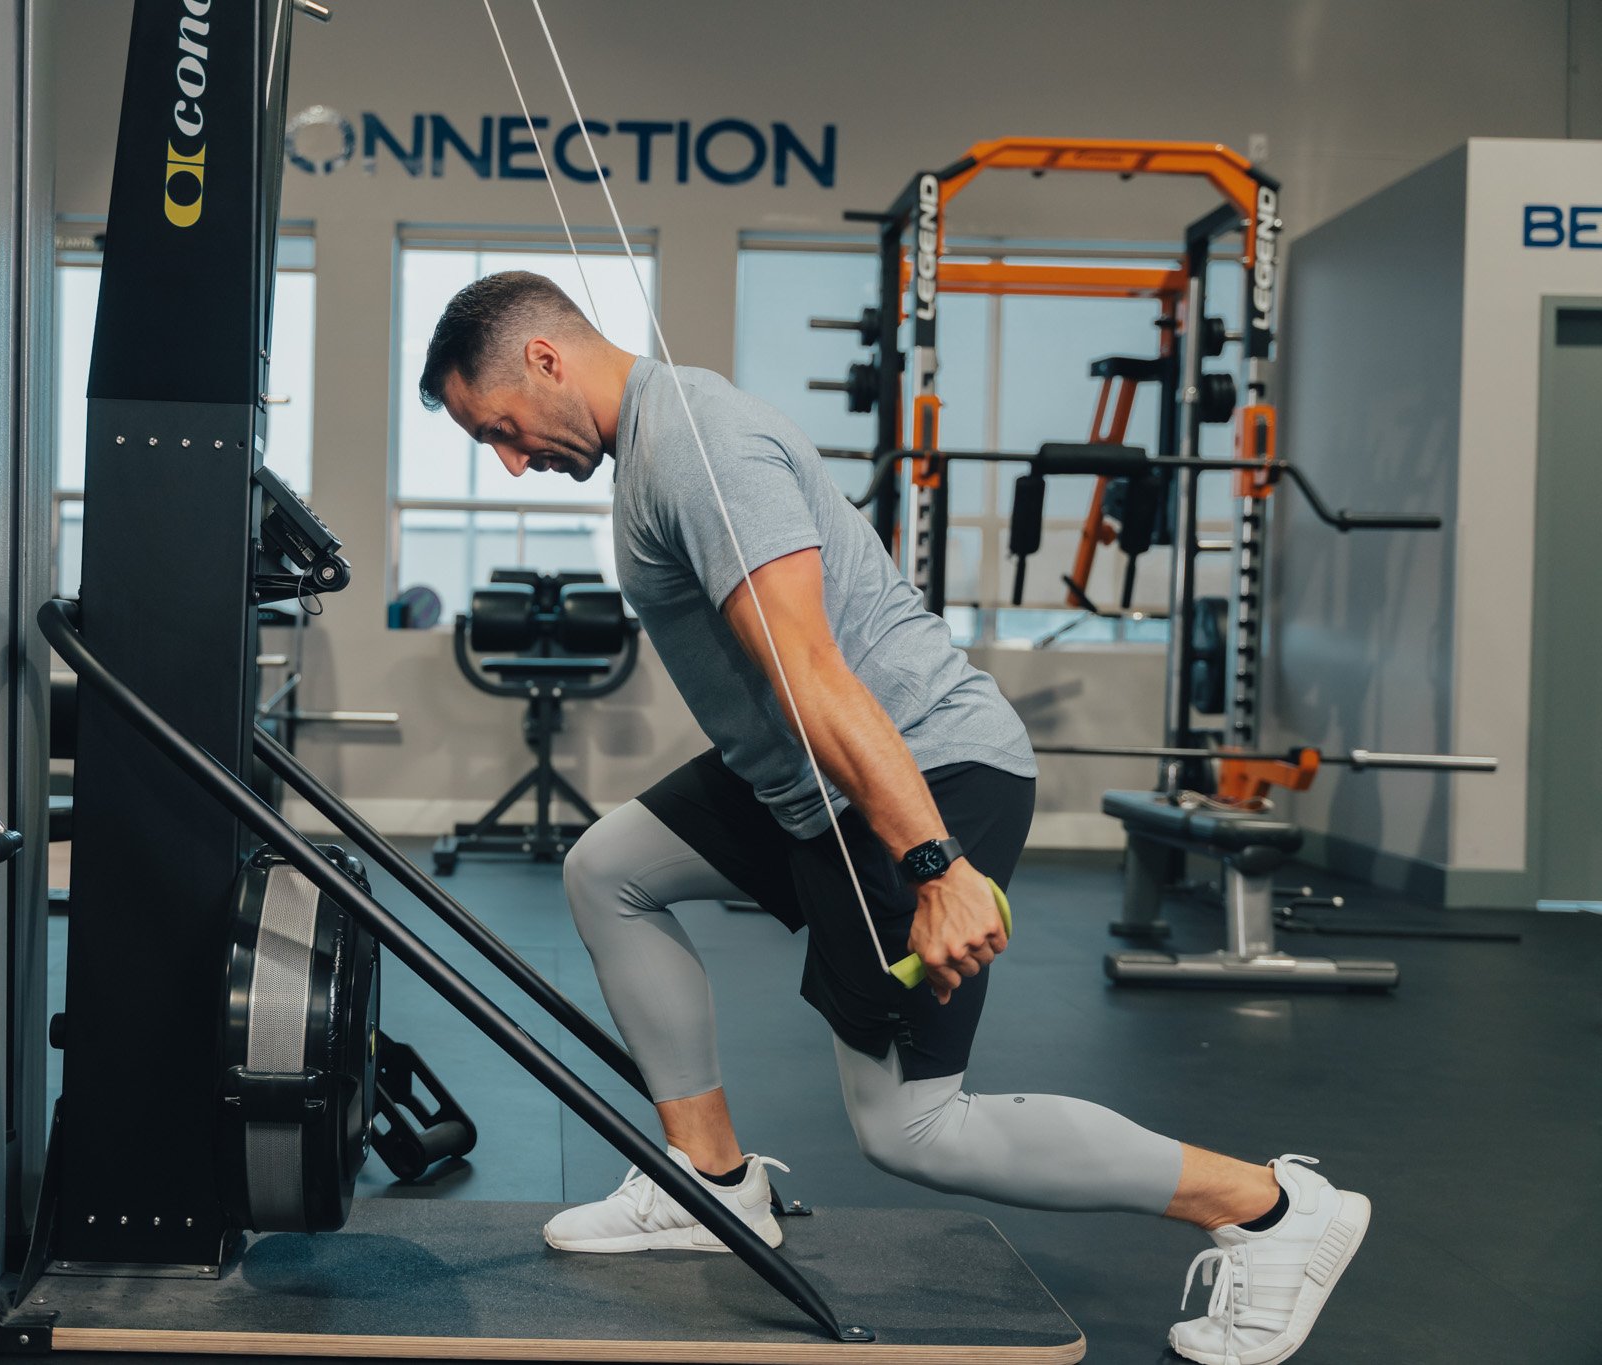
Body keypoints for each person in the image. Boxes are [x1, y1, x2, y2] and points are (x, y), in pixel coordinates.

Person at [418, 270, 1367, 1365]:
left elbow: (809, 667)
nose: (509, 459)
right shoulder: (651, 447)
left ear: (543, 359)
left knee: (913, 1130)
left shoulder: (695, 444)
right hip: (799, 780)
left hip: (913, 773)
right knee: (606, 870)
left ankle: (1270, 1209)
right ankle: (709, 1183)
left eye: (499, 430)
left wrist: (932, 862)